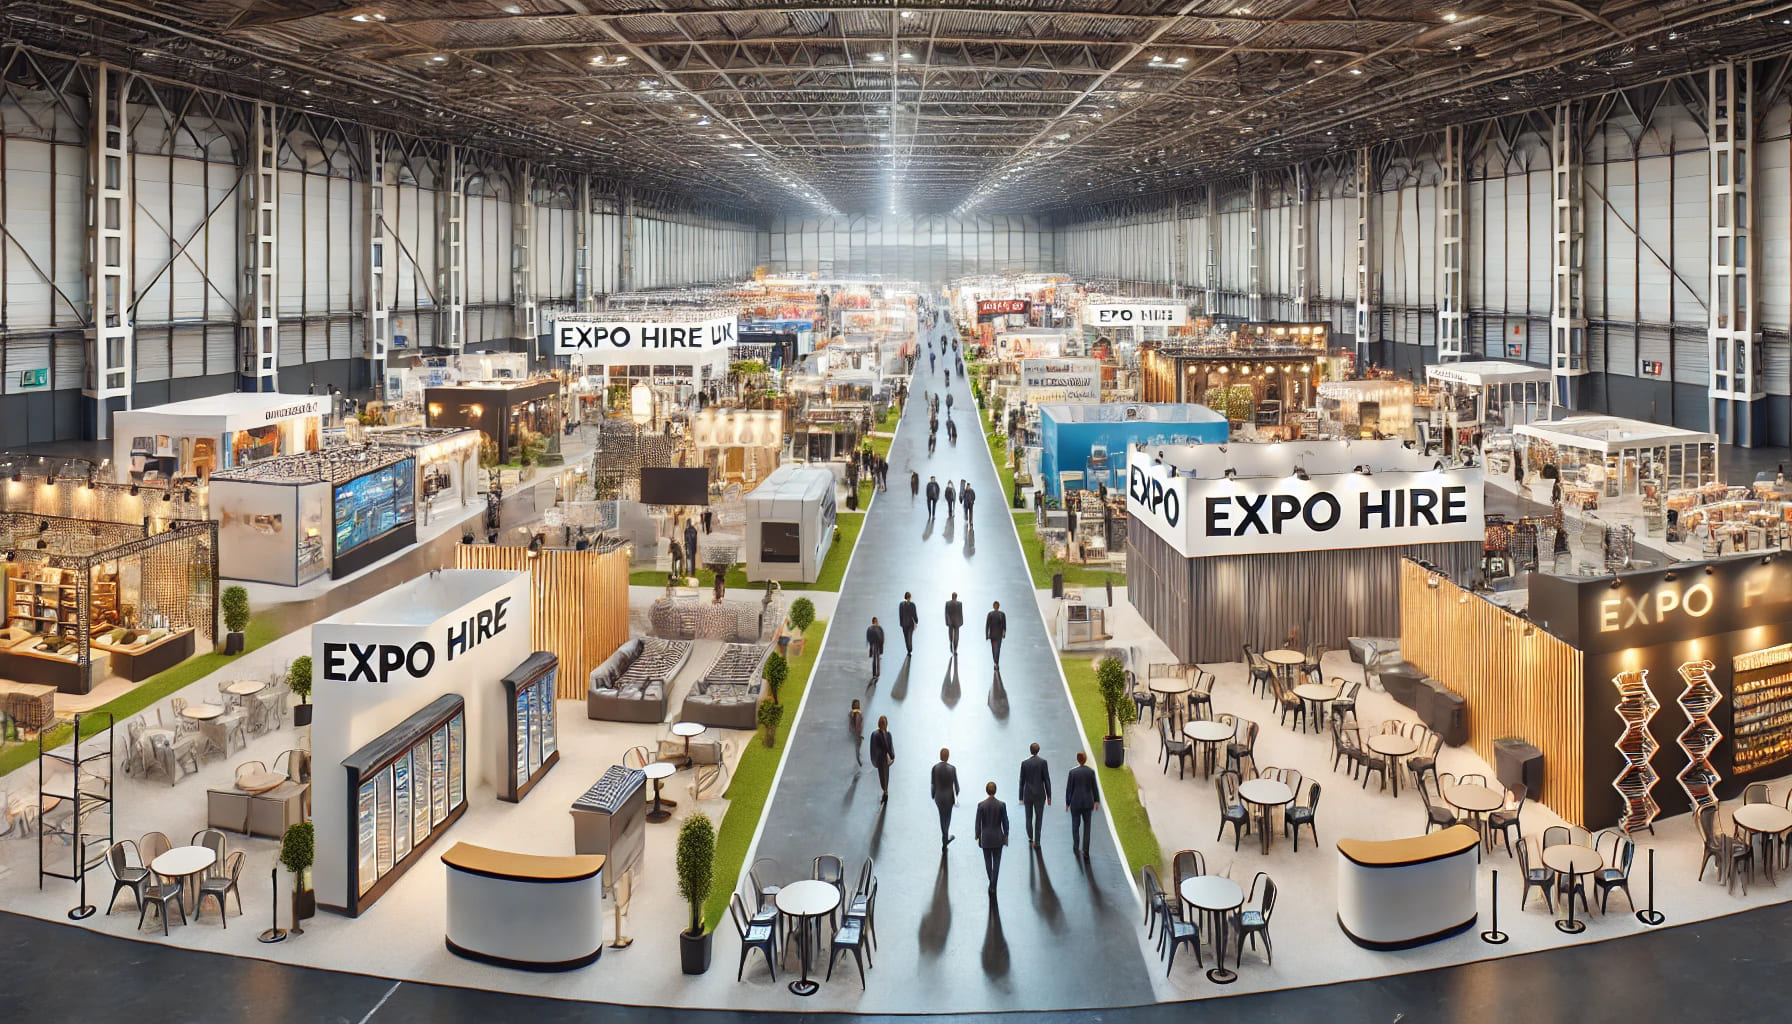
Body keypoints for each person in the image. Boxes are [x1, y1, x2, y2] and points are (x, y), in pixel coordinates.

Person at [974, 781, 1010, 894]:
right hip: (998, 837)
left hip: (985, 838)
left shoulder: (981, 805)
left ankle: (991, 882)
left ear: (986, 791)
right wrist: (1006, 834)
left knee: (988, 862)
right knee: (997, 862)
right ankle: (993, 885)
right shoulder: (1001, 805)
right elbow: (1005, 821)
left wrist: (977, 834)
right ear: (995, 790)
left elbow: (977, 822)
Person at [1065, 751, 1099, 857]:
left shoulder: (1072, 772)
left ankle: (1076, 846)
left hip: (1075, 803)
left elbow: (1069, 789)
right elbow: (1094, 787)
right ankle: (1086, 851)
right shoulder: (1091, 772)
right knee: (1087, 827)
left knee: (1075, 825)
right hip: (1088, 803)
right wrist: (1096, 801)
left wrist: (1067, 803)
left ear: (1077, 759)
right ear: (1085, 759)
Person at [1018, 743, 1050, 848]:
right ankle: (1038, 842)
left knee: (1028, 817)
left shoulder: (1024, 763)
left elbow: (1021, 781)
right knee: (1039, 818)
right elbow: (1047, 780)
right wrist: (1049, 796)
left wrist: (1020, 797)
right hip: (1040, 795)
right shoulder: (1043, 762)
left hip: (1027, 795)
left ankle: (1030, 837)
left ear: (1030, 750)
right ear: (1038, 750)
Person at [931, 748, 960, 846]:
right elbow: (957, 786)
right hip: (949, 798)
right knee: (947, 818)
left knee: (941, 816)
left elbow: (933, 784)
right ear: (948, 757)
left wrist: (933, 795)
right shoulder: (952, 769)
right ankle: (945, 838)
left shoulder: (934, 768)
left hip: (938, 797)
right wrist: (955, 798)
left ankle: (945, 837)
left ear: (940, 756)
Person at [869, 716, 895, 802]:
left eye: (884, 722)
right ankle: (885, 791)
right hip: (880, 759)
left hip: (886, 759)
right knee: (882, 776)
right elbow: (875, 747)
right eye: (881, 722)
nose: (883, 724)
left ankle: (885, 791)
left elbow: (890, 746)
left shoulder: (888, 734)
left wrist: (892, 755)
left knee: (886, 775)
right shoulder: (876, 734)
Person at [986, 600, 1006, 668]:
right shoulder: (1001, 614)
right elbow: (1004, 625)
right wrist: (1004, 633)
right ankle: (996, 662)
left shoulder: (991, 614)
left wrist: (987, 634)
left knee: (994, 649)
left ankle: (995, 661)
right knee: (997, 649)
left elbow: (987, 625)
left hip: (993, 634)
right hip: (998, 635)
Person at [866, 616, 885, 684]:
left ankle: (874, 674)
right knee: (877, 659)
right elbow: (882, 638)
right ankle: (877, 674)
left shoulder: (869, 628)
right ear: (876, 621)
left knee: (874, 659)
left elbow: (868, 637)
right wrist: (881, 647)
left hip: (873, 645)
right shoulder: (879, 628)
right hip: (878, 645)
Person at [849, 700, 864, 766]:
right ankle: (858, 761)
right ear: (853, 705)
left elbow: (860, 722)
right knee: (857, 745)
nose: (857, 705)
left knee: (859, 743)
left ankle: (858, 755)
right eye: (856, 704)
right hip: (855, 732)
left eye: (858, 704)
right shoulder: (853, 713)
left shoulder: (859, 712)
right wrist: (855, 733)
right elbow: (852, 724)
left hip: (858, 732)